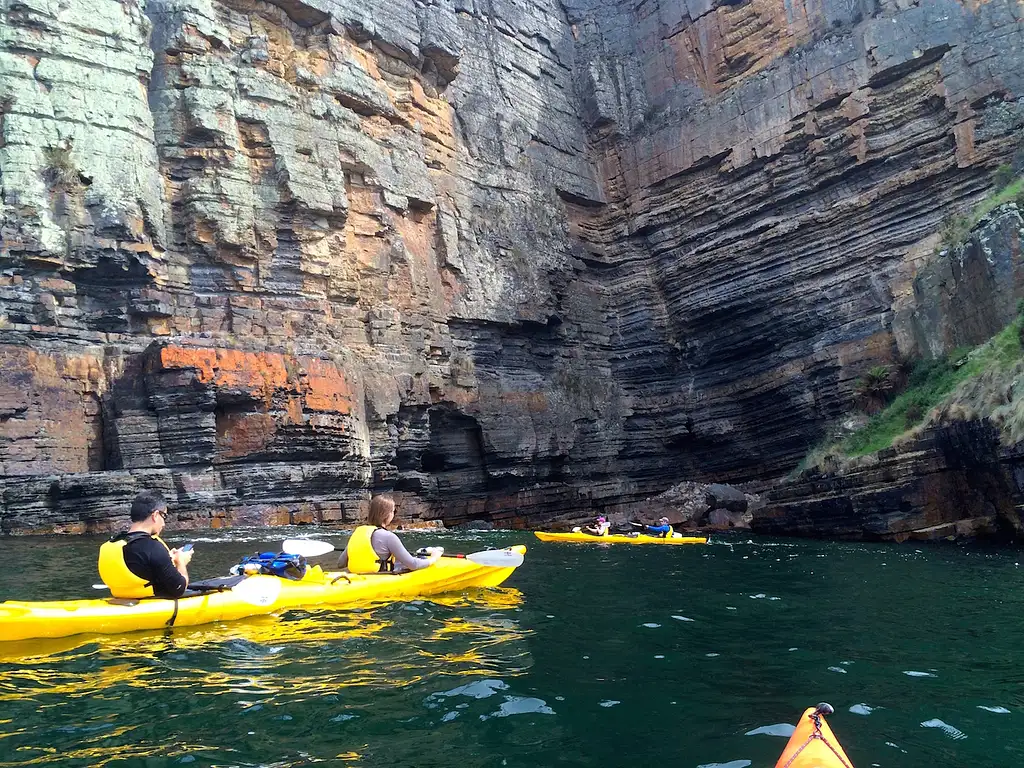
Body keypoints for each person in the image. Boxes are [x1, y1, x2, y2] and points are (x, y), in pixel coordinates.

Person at [97, 490, 193, 599]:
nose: (164, 524)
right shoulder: (153, 548)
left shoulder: (111, 544)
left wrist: (169, 558)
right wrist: (181, 562)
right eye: (164, 516)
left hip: (120, 600)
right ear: (155, 515)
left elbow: (139, 563)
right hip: (151, 606)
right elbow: (179, 588)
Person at [338, 495, 442, 573]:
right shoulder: (389, 537)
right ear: (386, 514)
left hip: (357, 579)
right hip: (378, 582)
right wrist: (434, 558)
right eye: (393, 511)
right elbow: (413, 565)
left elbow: (340, 564)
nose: (393, 514)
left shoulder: (358, 533)